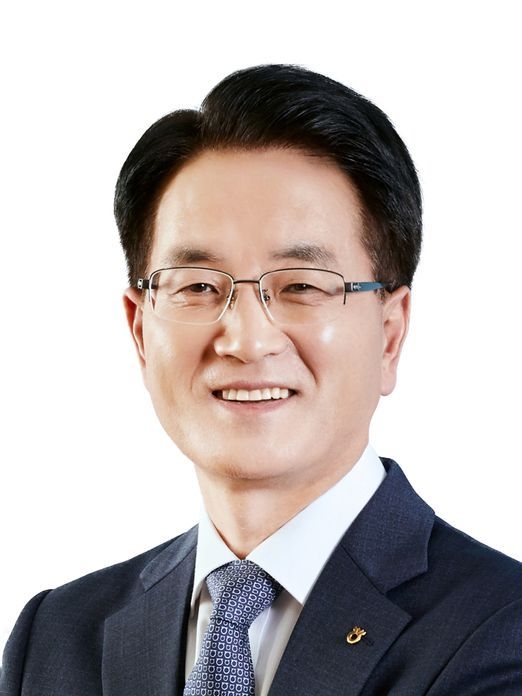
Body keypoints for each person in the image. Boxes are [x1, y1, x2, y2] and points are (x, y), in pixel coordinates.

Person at [1, 64, 521, 696]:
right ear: (140, 330)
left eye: (301, 286)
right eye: (198, 286)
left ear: (389, 333)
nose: (246, 341)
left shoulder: (501, 630)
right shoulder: (56, 635)